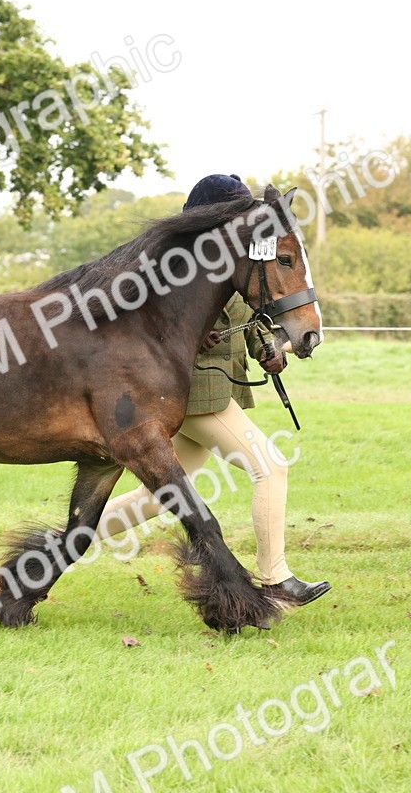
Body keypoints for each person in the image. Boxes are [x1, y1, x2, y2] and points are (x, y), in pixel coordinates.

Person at [95, 174, 330, 606]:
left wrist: (267, 349)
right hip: (198, 393)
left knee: (156, 497)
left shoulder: (230, 260)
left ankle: (58, 549)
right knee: (270, 467)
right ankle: (276, 580)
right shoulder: (184, 266)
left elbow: (248, 308)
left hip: (212, 389)